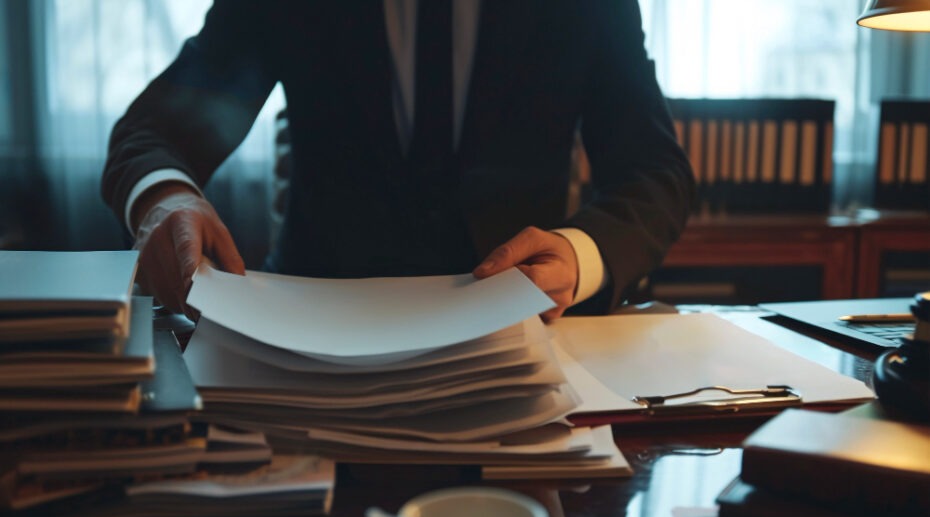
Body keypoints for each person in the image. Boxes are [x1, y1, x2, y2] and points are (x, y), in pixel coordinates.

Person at [102, 0, 694, 321]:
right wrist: (165, 196)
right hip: (315, 338)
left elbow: (655, 174)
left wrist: (576, 254)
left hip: (516, 335)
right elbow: (153, 131)